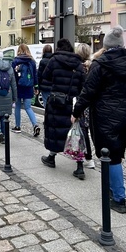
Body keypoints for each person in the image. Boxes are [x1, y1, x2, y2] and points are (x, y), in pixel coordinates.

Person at [72, 26, 126, 213]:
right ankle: (113, 190)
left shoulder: (100, 64)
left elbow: (88, 92)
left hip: (106, 115)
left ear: (106, 45)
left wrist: (76, 111)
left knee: (110, 157)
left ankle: (119, 198)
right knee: (117, 153)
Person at [41, 38, 85, 178]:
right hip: (72, 102)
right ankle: (79, 166)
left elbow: (45, 76)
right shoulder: (78, 63)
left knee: (55, 129)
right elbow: (83, 84)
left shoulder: (54, 61)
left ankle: (52, 157)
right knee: (75, 132)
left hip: (56, 101)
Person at [11, 43, 40, 137]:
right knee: (28, 107)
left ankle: (18, 126)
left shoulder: (15, 61)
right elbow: (35, 75)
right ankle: (35, 125)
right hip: (28, 87)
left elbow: (12, 75)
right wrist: (36, 87)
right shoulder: (32, 61)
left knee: (18, 107)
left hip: (18, 87)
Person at [75, 43, 95, 169]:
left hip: (81, 101)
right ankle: (89, 157)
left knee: (81, 130)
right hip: (92, 103)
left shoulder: (78, 68)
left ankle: (86, 158)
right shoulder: (93, 66)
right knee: (87, 131)